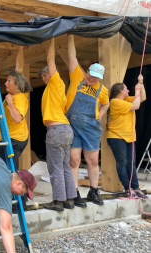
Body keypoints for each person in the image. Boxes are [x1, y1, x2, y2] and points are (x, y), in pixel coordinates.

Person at [66, 35, 110, 207]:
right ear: (87, 72)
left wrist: (100, 115)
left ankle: (93, 191)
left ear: (100, 78)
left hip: (91, 127)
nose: (91, 79)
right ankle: (75, 192)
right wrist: (70, 36)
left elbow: (106, 104)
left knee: (92, 160)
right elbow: (72, 57)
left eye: (95, 78)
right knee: (74, 160)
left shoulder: (103, 90)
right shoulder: (77, 76)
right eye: (90, 75)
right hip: (73, 126)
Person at [39, 38, 76, 211]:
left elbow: (50, 60)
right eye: (42, 76)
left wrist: (52, 37)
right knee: (64, 166)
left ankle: (57, 202)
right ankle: (69, 199)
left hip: (58, 129)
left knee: (55, 168)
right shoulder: (54, 90)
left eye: (46, 74)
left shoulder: (56, 83)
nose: (44, 77)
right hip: (64, 129)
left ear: (52, 75)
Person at [0, 45, 32, 205]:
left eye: (8, 81)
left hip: (15, 139)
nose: (5, 83)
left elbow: (17, 118)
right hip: (7, 137)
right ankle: (17, 198)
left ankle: (20, 200)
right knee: (7, 170)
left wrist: (9, 101)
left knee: (10, 171)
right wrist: (20, 48)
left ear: (16, 84)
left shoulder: (18, 98)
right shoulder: (15, 92)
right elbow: (19, 69)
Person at [107, 75, 148, 199]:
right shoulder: (115, 102)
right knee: (122, 162)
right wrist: (136, 90)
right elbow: (136, 106)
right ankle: (127, 188)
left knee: (131, 163)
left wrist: (141, 83)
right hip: (116, 136)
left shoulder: (126, 100)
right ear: (120, 91)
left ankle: (135, 188)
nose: (128, 91)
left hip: (130, 136)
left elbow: (143, 98)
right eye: (126, 89)